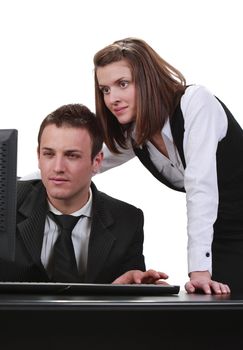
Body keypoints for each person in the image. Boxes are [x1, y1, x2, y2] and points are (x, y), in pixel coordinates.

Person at [93, 37, 243, 295]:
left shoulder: (196, 102)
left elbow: (201, 186)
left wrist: (198, 270)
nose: (112, 98)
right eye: (105, 89)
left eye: (122, 84)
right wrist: (17, 179)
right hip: (222, 236)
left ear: (147, 79)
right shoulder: (135, 135)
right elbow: (85, 162)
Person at [0, 103, 168, 284]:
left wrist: (129, 292)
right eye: (48, 154)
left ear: (96, 161)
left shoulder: (127, 221)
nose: (57, 168)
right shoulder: (6, 203)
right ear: (38, 157)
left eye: (71, 155)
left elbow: (128, 292)